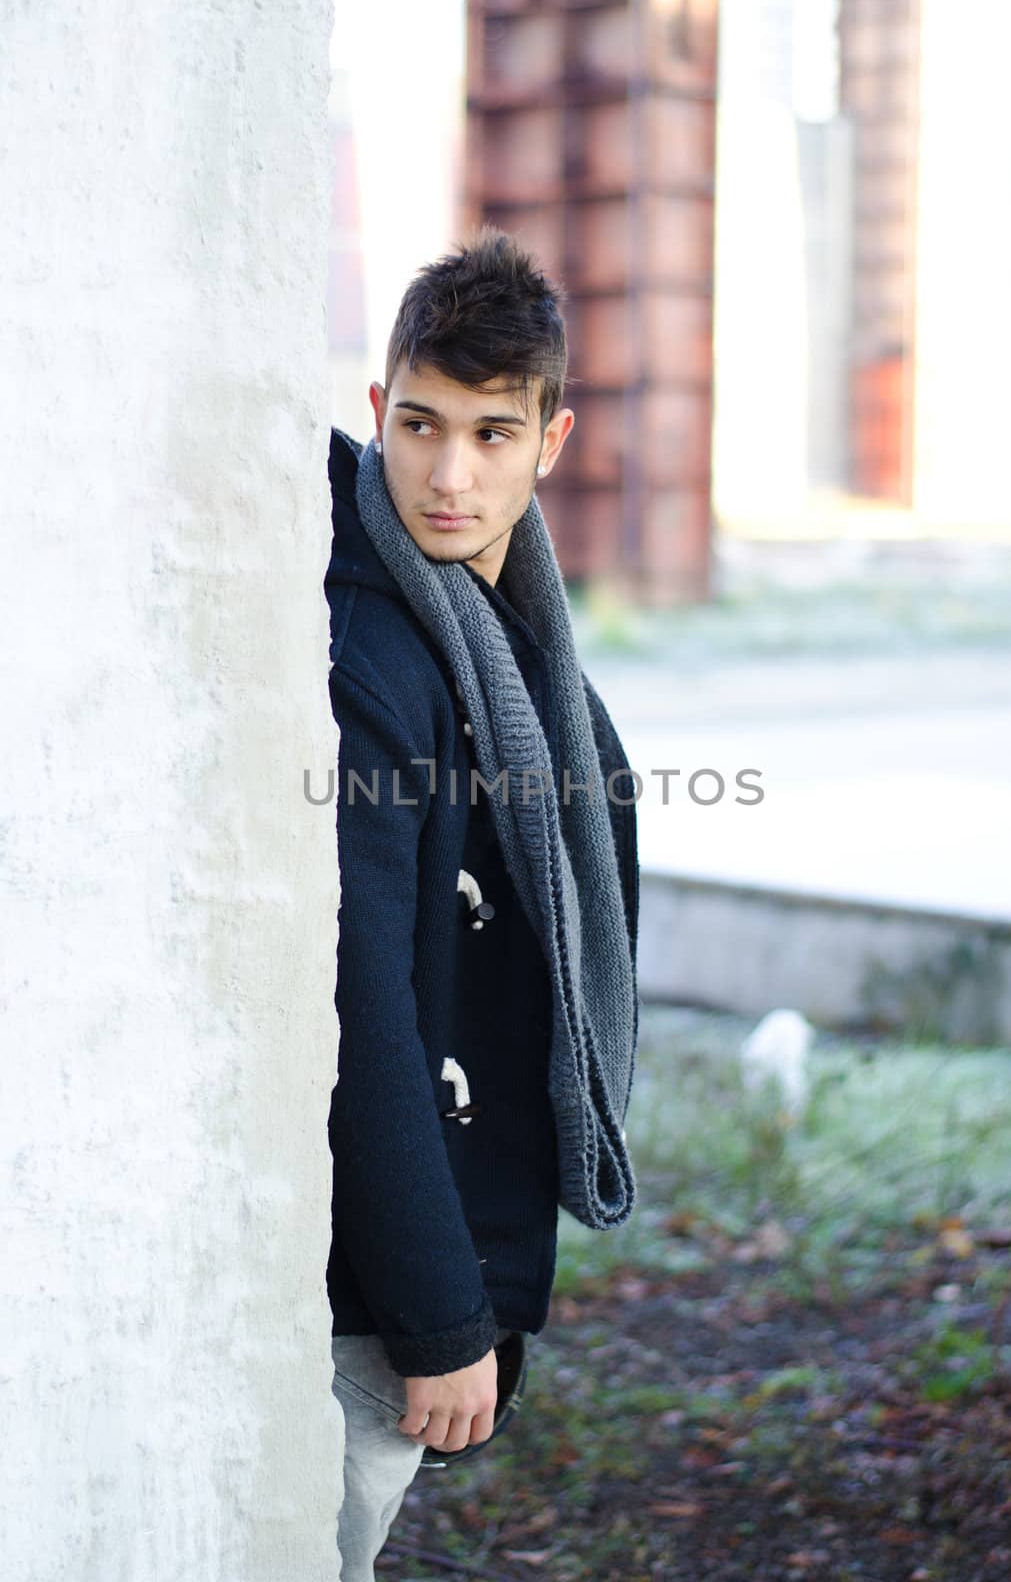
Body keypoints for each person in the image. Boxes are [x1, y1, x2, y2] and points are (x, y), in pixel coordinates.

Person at [323, 228, 640, 1582]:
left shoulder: (506, 627)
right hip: (372, 1284)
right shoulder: (370, 654)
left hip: (456, 1216)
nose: (449, 476)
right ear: (378, 406)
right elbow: (360, 1011)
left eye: (493, 436)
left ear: (549, 442)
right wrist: (441, 1313)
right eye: (420, 425)